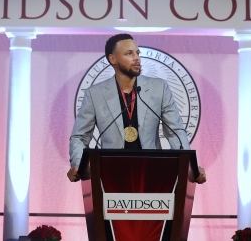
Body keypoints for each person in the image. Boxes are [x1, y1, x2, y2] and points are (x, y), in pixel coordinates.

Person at [67, 33, 206, 184]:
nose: (137, 58)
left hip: (152, 174)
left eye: (137, 53)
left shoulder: (159, 88)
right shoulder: (95, 94)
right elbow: (80, 137)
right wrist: (79, 164)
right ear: (112, 59)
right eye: (129, 53)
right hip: (110, 175)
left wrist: (188, 167)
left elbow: (175, 132)